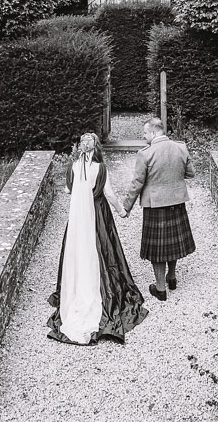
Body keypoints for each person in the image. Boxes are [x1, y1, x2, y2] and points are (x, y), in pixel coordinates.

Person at [47, 133, 149, 345]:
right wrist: (122, 211)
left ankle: (76, 287)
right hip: (98, 214)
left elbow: (67, 190)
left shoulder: (73, 166)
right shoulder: (100, 168)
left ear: (80, 148)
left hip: (78, 219)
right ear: (96, 148)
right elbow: (109, 194)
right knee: (101, 249)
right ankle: (101, 288)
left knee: (79, 249)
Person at [120, 116, 195, 301]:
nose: (143, 136)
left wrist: (126, 206)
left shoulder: (145, 153)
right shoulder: (181, 147)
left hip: (155, 206)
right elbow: (190, 173)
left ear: (154, 132)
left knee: (158, 248)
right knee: (172, 243)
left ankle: (160, 288)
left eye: (145, 133)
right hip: (177, 202)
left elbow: (137, 183)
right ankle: (172, 276)